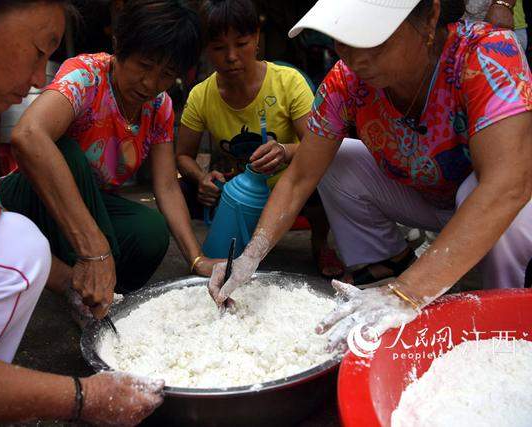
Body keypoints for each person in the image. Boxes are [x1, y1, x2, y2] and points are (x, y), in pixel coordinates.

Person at [0, 1, 163, 425]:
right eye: (40, 51)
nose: (40, 78)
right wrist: (83, 397)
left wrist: (71, 284)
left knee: (17, 240)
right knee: (20, 251)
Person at [208, 0, 532, 349]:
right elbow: (300, 176)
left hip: (502, 206)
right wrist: (251, 255)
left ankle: (506, 316)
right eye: (343, 39)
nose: (355, 58)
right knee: (339, 159)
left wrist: (407, 292)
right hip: (426, 197)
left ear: (430, 18)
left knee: (481, 189)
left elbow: (508, 185)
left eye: (373, 40)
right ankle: (380, 277)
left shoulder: (486, 53)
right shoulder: (346, 80)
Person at [0, 0, 222, 323]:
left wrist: (196, 258)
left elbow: (167, 186)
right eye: (144, 65)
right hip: (30, 199)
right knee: (65, 150)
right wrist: (96, 250)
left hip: (87, 206)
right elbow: (28, 135)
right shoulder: (86, 75)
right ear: (119, 46)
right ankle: (91, 278)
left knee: (151, 231)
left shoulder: (159, 106)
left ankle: (99, 294)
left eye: (166, 74)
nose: (150, 83)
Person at [176, 0, 344, 277]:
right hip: (238, 189)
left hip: (292, 189)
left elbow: (318, 146)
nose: (231, 56)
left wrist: (285, 151)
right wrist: (201, 177)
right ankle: (203, 257)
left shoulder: (288, 82)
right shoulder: (200, 96)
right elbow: (182, 156)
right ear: (206, 50)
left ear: (256, 38)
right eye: (219, 48)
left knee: (331, 171)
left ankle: (320, 244)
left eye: (241, 43)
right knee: (179, 191)